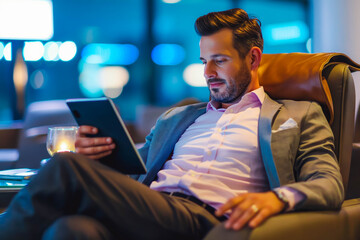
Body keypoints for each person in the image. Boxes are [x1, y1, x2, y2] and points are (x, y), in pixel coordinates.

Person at [0, 8, 343, 240]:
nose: (207, 73)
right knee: (71, 229)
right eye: (204, 61)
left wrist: (277, 199)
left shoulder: (298, 115)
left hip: (205, 219)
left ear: (253, 58)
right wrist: (99, 156)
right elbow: (135, 169)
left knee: (66, 167)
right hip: (152, 209)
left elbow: (328, 183)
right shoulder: (179, 117)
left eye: (219, 61)